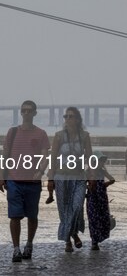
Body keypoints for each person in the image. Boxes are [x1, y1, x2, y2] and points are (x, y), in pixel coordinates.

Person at [0, 100, 50, 263]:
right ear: (21, 113)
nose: (26, 114)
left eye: (29, 111)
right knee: (15, 216)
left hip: (33, 182)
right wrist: (1, 176)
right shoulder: (12, 132)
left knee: (32, 216)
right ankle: (16, 249)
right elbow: (5, 155)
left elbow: (45, 156)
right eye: (23, 111)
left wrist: (40, 171)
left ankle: (29, 244)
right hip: (14, 179)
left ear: (35, 113)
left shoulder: (41, 134)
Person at [47, 106, 93, 253]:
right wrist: (50, 179)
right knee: (64, 210)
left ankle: (73, 233)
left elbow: (90, 158)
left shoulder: (84, 136)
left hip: (79, 177)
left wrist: (92, 177)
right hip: (61, 177)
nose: (67, 119)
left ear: (77, 119)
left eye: (71, 116)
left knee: (77, 206)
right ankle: (69, 239)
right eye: (65, 116)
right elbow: (53, 157)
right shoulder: (59, 136)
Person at [87, 150, 115, 250]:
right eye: (100, 161)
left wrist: (105, 184)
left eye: (102, 161)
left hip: (102, 198)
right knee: (93, 218)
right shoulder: (89, 172)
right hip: (92, 197)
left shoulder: (102, 171)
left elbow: (112, 179)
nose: (101, 163)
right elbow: (83, 183)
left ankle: (99, 238)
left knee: (103, 217)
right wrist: (89, 186)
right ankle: (94, 241)